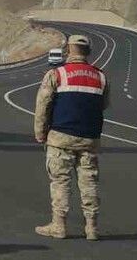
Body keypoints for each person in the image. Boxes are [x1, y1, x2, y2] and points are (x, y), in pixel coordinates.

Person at [33, 34, 109, 241]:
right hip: (90, 138)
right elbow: (104, 104)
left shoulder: (57, 74)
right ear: (88, 53)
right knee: (89, 182)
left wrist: (40, 133)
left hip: (61, 136)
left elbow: (43, 105)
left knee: (60, 181)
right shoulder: (100, 76)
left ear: (68, 50)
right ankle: (92, 227)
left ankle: (59, 225)